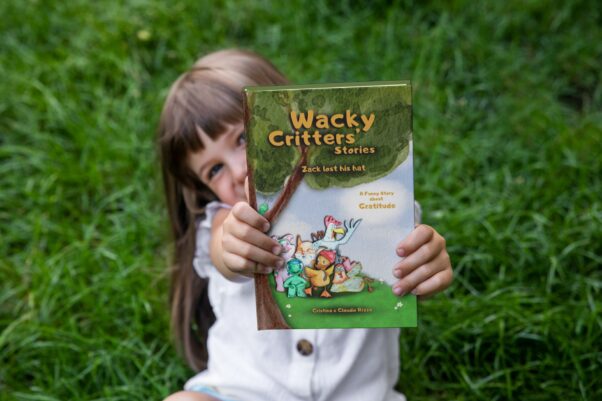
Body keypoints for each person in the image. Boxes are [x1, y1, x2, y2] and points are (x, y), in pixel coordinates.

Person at [158, 49, 453, 401]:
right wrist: (234, 246)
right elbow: (225, 247)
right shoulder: (226, 223)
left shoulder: (361, 200)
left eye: (241, 138)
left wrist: (424, 264)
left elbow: (400, 241)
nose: (238, 171)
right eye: (215, 170)